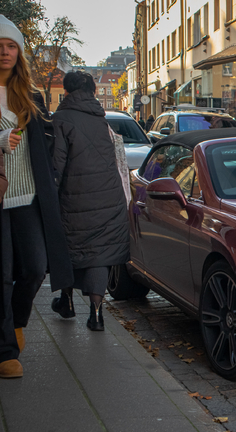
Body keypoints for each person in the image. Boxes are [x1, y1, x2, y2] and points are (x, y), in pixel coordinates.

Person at [0, 15, 74, 379]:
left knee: (34, 267)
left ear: (19, 52)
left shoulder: (28, 94)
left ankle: (14, 321)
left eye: (11, 45)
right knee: (2, 272)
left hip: (27, 194)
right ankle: (4, 351)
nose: (4, 51)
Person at [50, 71, 129, 331]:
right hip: (109, 197)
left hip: (73, 198)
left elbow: (56, 163)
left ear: (66, 91)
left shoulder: (60, 119)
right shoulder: (102, 119)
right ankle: (96, 314)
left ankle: (67, 301)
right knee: (99, 255)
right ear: (94, 91)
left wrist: (49, 193)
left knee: (69, 251)